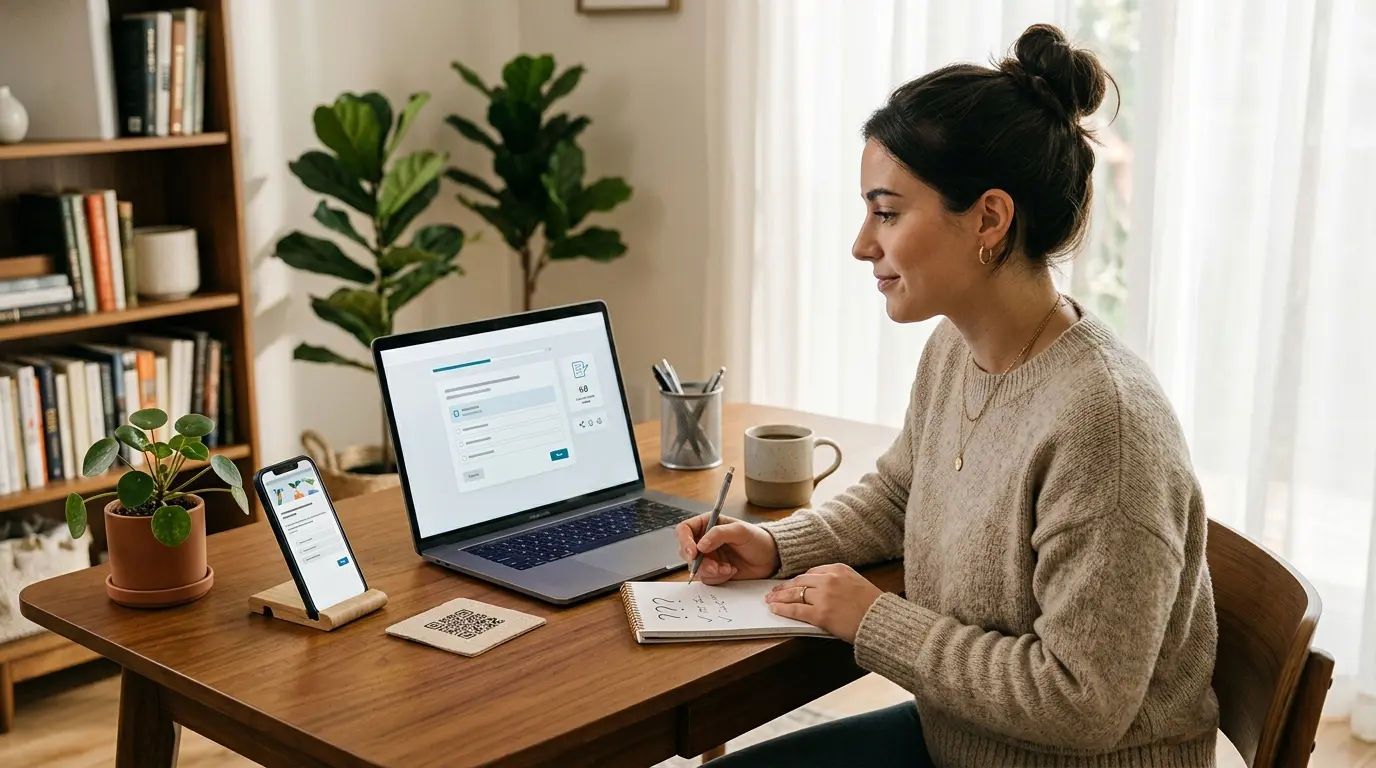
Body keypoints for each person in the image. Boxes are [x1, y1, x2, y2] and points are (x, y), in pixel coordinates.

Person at [675, 23, 1219, 768]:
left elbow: (1081, 702)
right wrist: (777, 546)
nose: (862, 244)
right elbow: (903, 493)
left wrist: (875, 620)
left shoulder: (1106, 426)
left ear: (989, 218)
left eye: (887, 212)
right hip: (963, 742)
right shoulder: (957, 349)